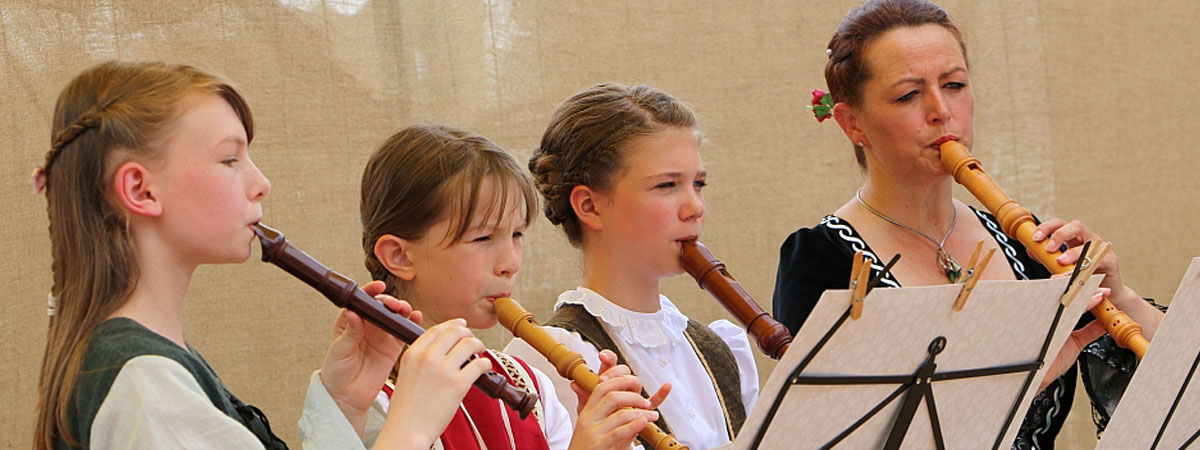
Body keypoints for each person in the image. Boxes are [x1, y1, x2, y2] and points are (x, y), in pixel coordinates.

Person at [32, 61, 490, 450]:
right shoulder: (142, 380)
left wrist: (344, 402)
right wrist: (410, 428)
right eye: (230, 159)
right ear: (140, 189)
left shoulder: (154, 363)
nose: (260, 182)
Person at [771, 1, 1165, 448]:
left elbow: (1177, 383)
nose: (941, 110)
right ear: (851, 122)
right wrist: (1010, 392)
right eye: (908, 95)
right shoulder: (822, 259)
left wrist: (1121, 296)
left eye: (955, 85)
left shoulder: (1025, 242)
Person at [359, 123, 662, 450]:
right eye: (483, 238)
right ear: (400, 256)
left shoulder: (530, 385)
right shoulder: (363, 403)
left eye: (516, 235)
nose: (510, 262)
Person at [504, 83, 759, 450]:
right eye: (667, 185)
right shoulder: (545, 358)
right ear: (590, 206)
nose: (695, 207)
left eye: (698, 184)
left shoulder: (720, 348)